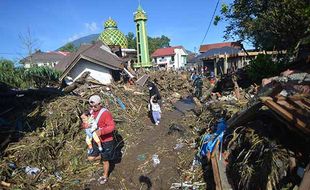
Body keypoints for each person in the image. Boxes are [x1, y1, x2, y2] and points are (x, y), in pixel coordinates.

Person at [82, 95, 116, 185]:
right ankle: (106, 155)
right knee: (90, 158)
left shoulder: (105, 113)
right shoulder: (91, 112)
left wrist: (101, 132)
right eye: (91, 106)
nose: (93, 108)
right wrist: (85, 126)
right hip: (96, 141)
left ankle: (105, 176)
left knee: (105, 160)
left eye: (95, 106)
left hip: (106, 140)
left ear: (100, 104)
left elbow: (112, 127)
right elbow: (85, 122)